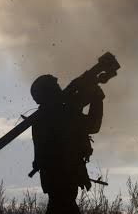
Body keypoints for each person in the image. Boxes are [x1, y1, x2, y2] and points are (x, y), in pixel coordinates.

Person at [30, 74, 104, 214]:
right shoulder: (58, 115)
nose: (60, 89)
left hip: (56, 179)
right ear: (50, 93)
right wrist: (97, 98)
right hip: (63, 178)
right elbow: (93, 126)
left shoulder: (44, 117)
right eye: (56, 87)